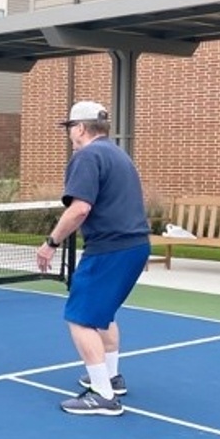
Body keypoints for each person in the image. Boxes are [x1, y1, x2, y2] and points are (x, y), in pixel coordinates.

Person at [35, 101, 151, 416]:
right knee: (104, 314)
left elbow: (80, 209)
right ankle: (111, 377)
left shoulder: (86, 157)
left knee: (81, 317)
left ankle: (102, 395)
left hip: (110, 249)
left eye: (71, 127)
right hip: (136, 246)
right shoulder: (119, 155)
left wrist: (51, 243)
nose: (70, 133)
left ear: (82, 128)